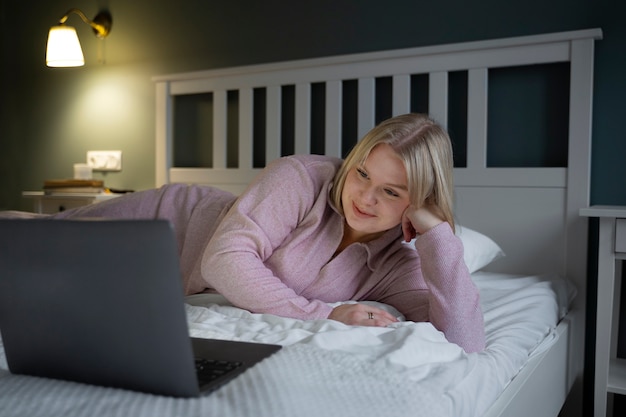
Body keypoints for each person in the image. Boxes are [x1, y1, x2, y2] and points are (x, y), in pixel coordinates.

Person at [53, 113, 485, 353]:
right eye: (362, 173)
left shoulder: (396, 263)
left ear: (420, 199)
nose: (364, 198)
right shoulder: (302, 177)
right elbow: (224, 260)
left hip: (157, 286)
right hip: (169, 225)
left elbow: (465, 343)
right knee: (37, 239)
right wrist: (322, 314)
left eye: (391, 192)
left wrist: (439, 236)